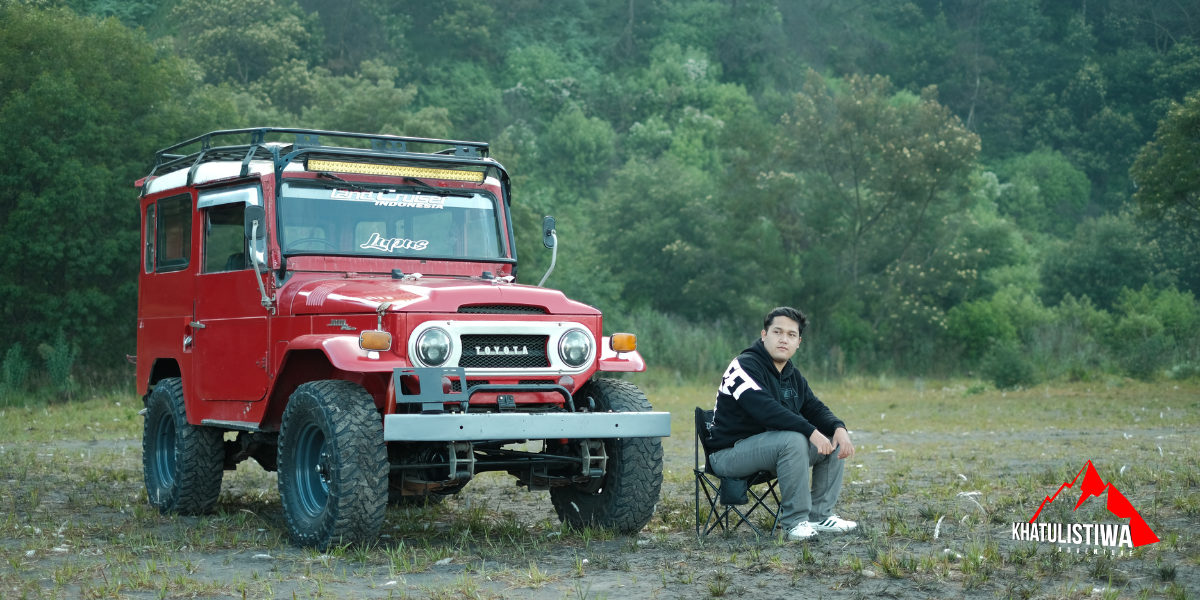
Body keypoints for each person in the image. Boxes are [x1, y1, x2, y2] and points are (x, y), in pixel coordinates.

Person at [707, 306, 856, 541]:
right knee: (795, 438)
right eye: (777, 332)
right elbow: (767, 410)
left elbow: (814, 408)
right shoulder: (744, 366)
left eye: (791, 335)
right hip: (729, 455)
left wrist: (839, 428)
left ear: (798, 342)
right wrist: (810, 431)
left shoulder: (791, 374)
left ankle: (819, 515)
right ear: (764, 335)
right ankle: (795, 522)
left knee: (832, 442)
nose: (784, 339)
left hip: (773, 451)